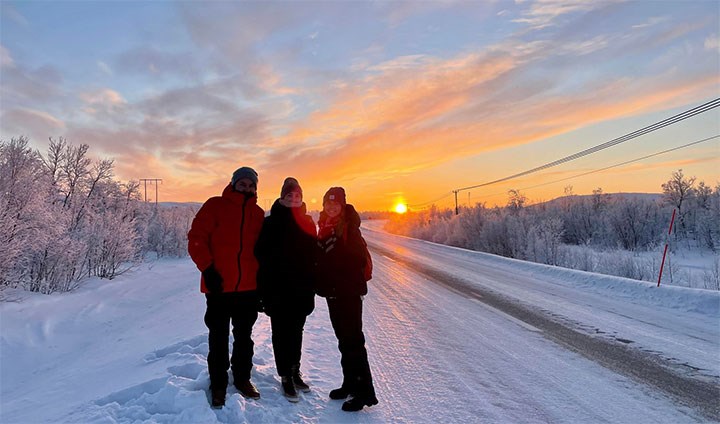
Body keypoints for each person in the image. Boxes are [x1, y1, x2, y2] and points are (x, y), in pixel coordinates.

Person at [187, 166, 265, 408]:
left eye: (251, 185)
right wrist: (207, 269)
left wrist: (262, 285)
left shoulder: (258, 214)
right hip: (218, 287)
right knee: (218, 338)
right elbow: (196, 238)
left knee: (244, 338)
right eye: (243, 183)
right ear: (233, 183)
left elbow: (264, 253)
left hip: (248, 289)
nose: (247, 188)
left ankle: (242, 378)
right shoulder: (215, 206)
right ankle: (218, 383)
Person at [315, 187, 379, 412]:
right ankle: (349, 383)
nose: (331, 207)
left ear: (342, 206)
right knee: (344, 341)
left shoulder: (349, 228)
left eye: (335, 203)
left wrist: (338, 276)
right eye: (328, 203)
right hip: (335, 293)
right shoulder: (326, 225)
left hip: (348, 294)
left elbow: (356, 261)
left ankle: (363, 393)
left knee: (353, 342)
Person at [255, 177, 317, 403]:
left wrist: (312, 286)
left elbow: (313, 257)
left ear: (302, 197)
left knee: (297, 331)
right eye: (289, 195)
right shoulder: (270, 223)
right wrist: (262, 292)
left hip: (301, 288)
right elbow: (261, 257)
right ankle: (285, 376)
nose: (293, 199)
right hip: (277, 289)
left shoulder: (309, 222)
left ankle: (294, 370)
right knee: (281, 332)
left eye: (297, 195)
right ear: (282, 197)